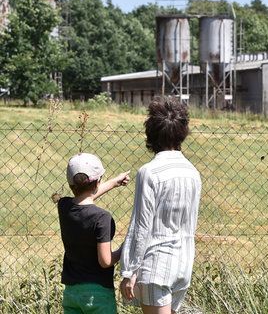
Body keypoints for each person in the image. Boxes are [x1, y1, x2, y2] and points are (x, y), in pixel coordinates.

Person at [119, 97, 202, 314]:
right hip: (184, 264)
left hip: (157, 265)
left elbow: (141, 226)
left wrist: (129, 271)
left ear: (151, 133)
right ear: (182, 131)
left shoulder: (149, 172)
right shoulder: (192, 172)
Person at [58, 153, 130, 314]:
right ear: (98, 181)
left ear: (70, 184)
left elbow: (83, 200)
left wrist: (113, 183)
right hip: (97, 296)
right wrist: (124, 248)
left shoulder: (64, 207)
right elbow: (105, 261)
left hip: (71, 293)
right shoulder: (101, 218)